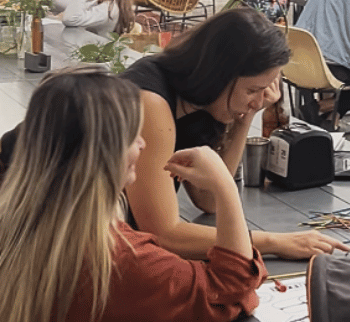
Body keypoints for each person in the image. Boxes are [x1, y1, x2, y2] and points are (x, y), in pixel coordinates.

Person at [0, 67, 267, 322]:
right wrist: (224, 186)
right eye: (131, 136)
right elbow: (230, 292)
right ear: (104, 155)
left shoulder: (18, 222)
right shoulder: (120, 261)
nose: (142, 143)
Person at [120, 8, 348, 260]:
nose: (259, 101)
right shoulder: (150, 103)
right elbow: (164, 234)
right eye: (252, 91)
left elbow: (210, 199)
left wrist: (246, 116)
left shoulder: (198, 102)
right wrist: (274, 241)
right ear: (217, 76)